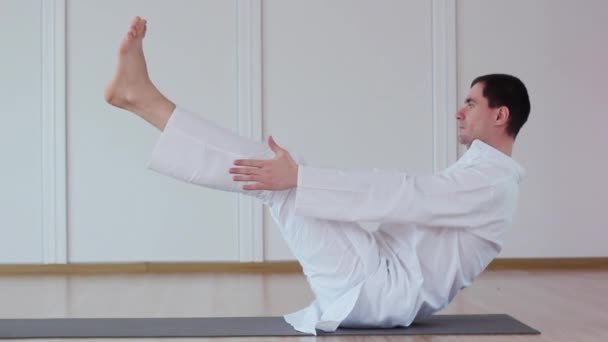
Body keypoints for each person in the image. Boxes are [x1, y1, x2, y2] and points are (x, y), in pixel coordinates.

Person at [105, 17, 530, 335]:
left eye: (471, 103)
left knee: (281, 179)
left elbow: (408, 193)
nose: (460, 111)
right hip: (378, 274)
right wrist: (303, 181)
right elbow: (408, 202)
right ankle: (141, 101)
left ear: (500, 114)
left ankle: (144, 99)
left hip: (379, 289)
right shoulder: (484, 173)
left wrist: (302, 181)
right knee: (282, 176)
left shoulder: (492, 183)